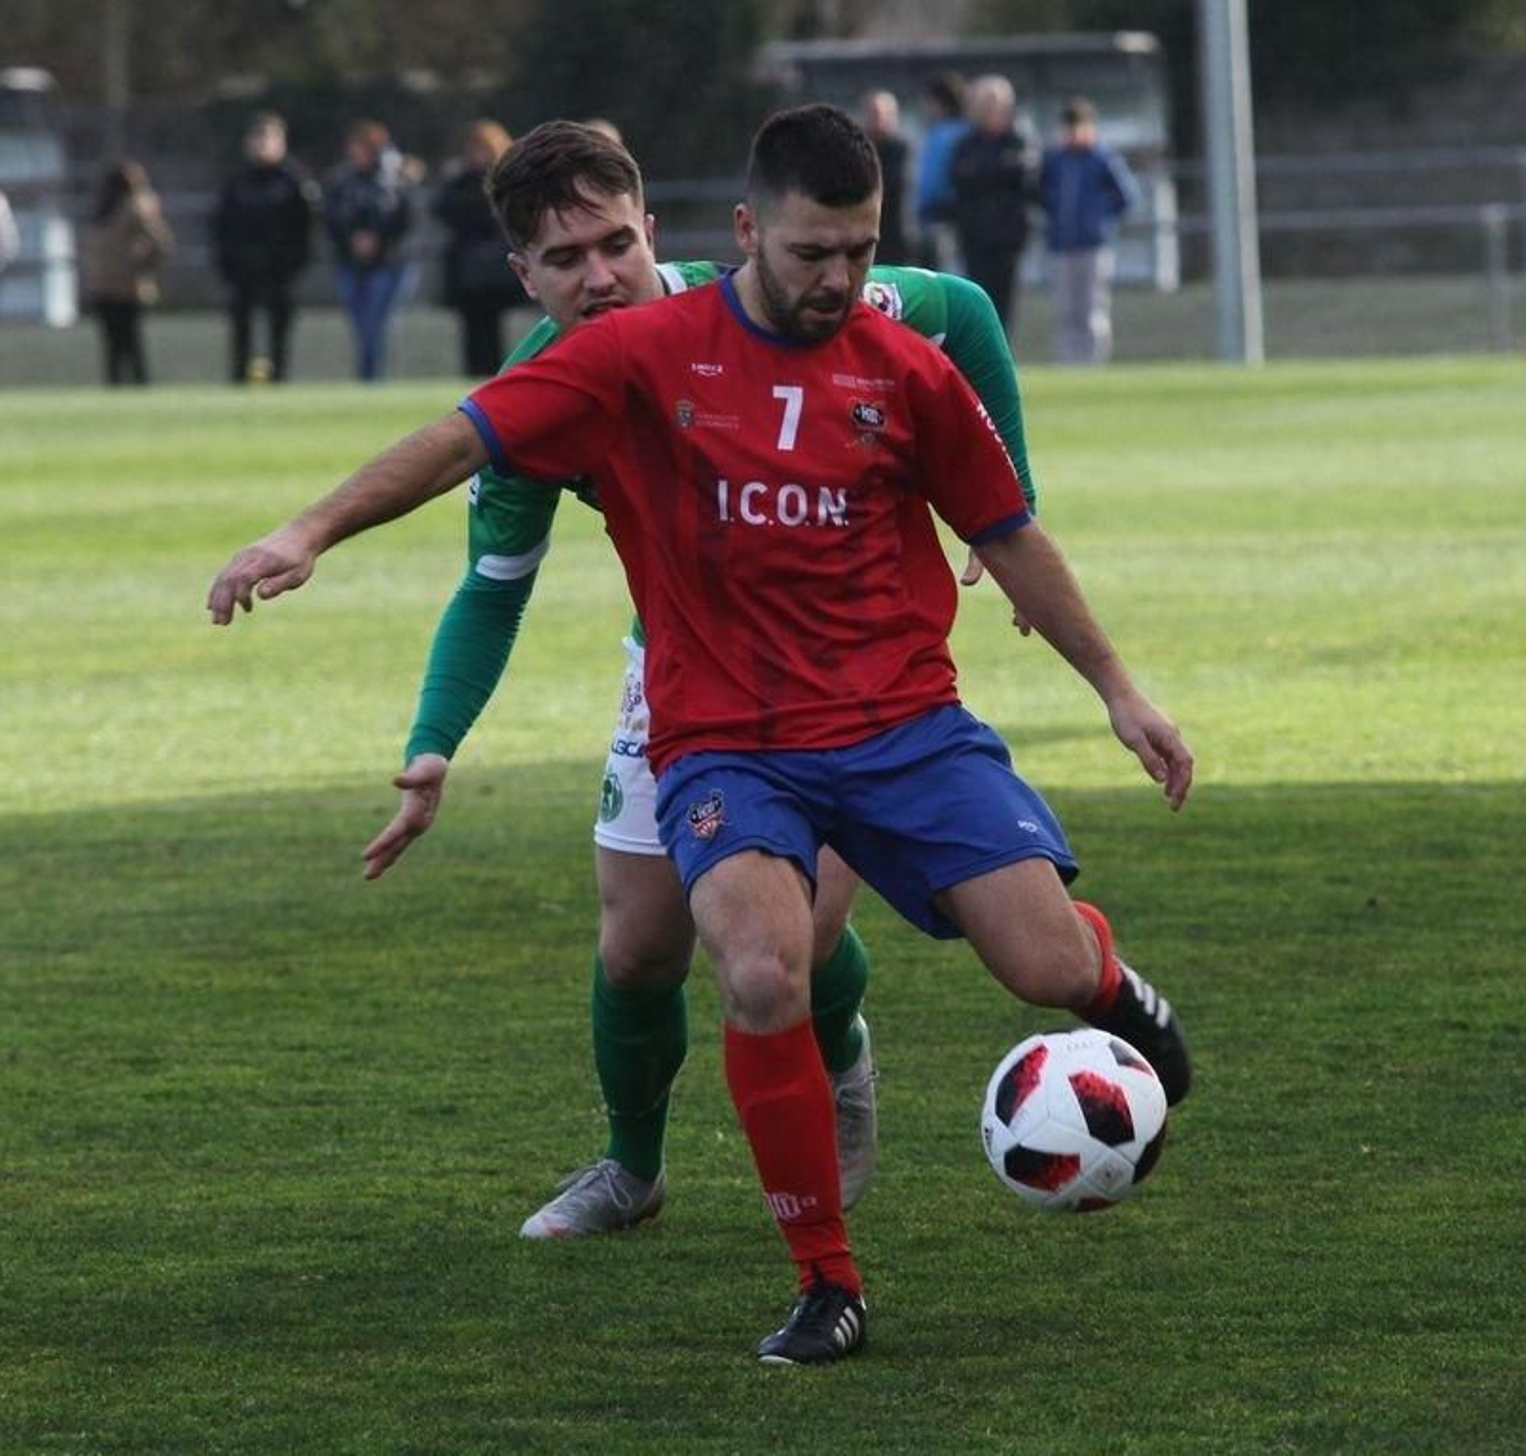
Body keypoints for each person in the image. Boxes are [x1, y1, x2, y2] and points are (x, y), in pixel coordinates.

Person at [206, 104, 1193, 1367]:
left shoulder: (904, 356)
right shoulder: (631, 354)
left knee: (1045, 970)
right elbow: (461, 440)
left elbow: (1004, 529)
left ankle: (1117, 993)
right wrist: (305, 534)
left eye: (856, 252)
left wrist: (1117, 687)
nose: (835, 279)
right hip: (723, 734)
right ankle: (823, 1276)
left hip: (902, 721)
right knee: (756, 968)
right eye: (808, 256)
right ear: (745, 234)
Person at [357, 120, 1044, 1242]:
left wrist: (1008, 505)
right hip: (682, 666)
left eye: (613, 244)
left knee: (796, 936)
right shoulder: (542, 394)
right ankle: (632, 1168)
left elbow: (959, 310)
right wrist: (433, 744)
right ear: (520, 273)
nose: (598, 276)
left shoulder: (768, 302)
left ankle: (841, 1049)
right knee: (636, 946)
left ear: (653, 232)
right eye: (564, 259)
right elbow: (491, 586)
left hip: (837, 669)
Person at [211, 112, 317, 384]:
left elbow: (305, 227)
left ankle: (280, 377)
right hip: (243, 268)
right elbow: (221, 225)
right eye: (257, 139)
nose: (262, 145)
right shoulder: (237, 182)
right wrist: (229, 262)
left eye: (268, 139)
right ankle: (238, 376)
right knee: (241, 326)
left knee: (279, 327)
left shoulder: (294, 182)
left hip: (280, 269)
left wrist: (294, 262)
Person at [1039, 98, 1141, 365]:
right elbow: (1041, 195)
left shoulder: (1101, 159)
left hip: (1093, 245)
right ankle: (1067, 361)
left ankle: (1092, 361)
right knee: (1065, 308)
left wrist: (1101, 220)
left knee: (1092, 306)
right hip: (1061, 244)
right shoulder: (1055, 161)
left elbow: (1126, 197)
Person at [431, 119, 524, 376]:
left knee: (495, 328)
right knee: (472, 326)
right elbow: (441, 209)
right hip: (468, 267)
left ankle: (498, 373)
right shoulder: (459, 181)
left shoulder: (506, 180)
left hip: (497, 264)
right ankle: (474, 373)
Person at [323, 119, 414, 381]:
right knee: (361, 325)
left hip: (386, 262)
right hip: (350, 263)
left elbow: (405, 221)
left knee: (378, 323)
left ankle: (375, 377)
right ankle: (367, 376)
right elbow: (330, 220)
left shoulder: (394, 182)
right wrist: (351, 240)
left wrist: (379, 240)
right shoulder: (341, 182)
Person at [949, 74, 1035, 334]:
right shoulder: (966, 144)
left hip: (1008, 237)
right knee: (978, 300)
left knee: (1004, 303)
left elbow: (1024, 177)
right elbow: (961, 178)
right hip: (974, 235)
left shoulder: (1018, 140)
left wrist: (986, 173)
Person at [81, 160, 173, 386]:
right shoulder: (135, 207)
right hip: (127, 285)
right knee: (131, 343)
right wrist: (146, 267)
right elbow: (162, 242)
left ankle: (116, 385)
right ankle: (138, 384)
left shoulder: (101, 209)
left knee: (114, 344)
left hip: (103, 285)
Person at [914, 72, 967, 272]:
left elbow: (934, 181)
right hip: (934, 217)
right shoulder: (938, 132)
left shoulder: (951, 134)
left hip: (945, 217)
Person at [859, 90, 909, 264]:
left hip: (897, 229)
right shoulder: (857, 150)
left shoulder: (903, 149)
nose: (878, 118)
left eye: (883, 113)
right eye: (873, 113)